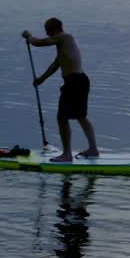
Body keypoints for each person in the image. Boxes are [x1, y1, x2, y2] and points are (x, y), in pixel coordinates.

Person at [22, 18, 99, 163]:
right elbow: (56, 64)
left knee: (62, 118)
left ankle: (67, 155)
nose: (46, 33)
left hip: (75, 83)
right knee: (80, 116)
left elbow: (41, 42)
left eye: (47, 29)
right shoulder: (63, 45)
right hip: (80, 81)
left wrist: (29, 37)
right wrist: (41, 79)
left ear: (55, 28)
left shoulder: (65, 37)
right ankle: (93, 149)